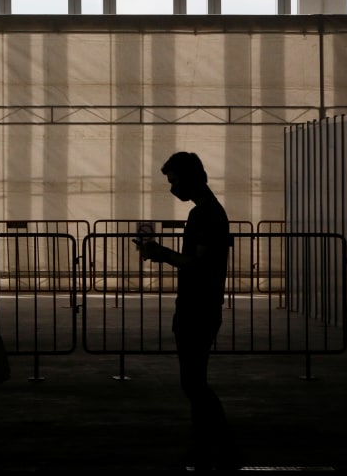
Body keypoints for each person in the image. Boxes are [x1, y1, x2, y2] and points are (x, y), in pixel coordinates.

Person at [135, 151, 238, 470]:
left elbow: (198, 262)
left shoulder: (205, 215)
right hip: (201, 304)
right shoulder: (210, 212)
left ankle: (216, 443)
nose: (172, 188)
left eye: (174, 180)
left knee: (194, 383)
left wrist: (160, 253)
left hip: (198, 306)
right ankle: (210, 442)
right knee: (194, 382)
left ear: (190, 177)